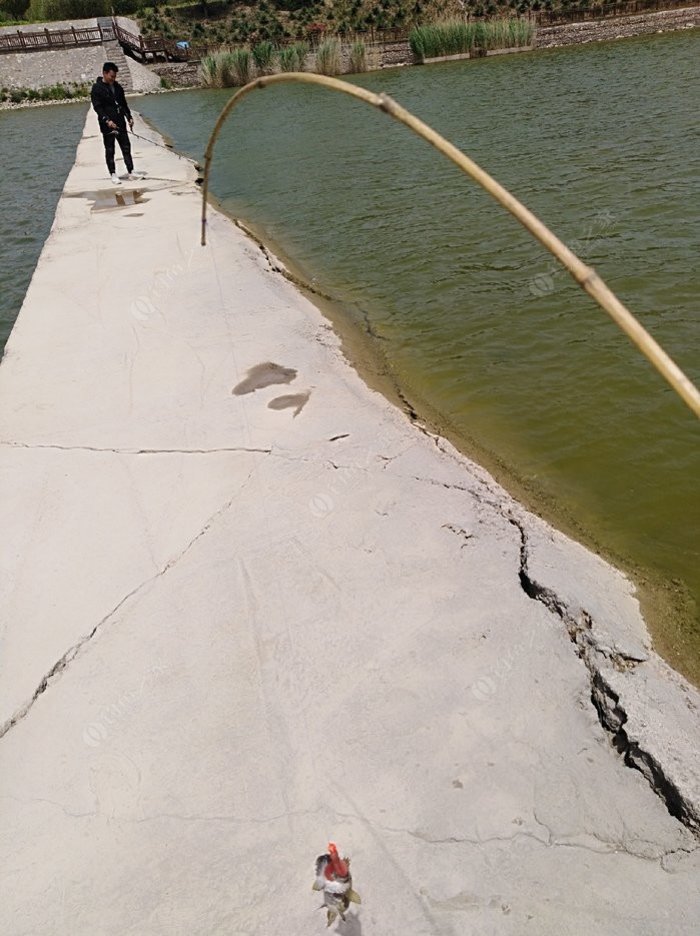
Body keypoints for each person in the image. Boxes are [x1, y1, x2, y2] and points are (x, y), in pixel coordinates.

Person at [91, 62, 140, 185]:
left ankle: (131, 171)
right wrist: (107, 120)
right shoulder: (97, 88)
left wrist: (129, 117)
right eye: (111, 76)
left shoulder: (117, 87)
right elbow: (97, 107)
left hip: (120, 121)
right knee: (110, 149)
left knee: (126, 147)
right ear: (105, 73)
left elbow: (123, 104)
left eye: (115, 76)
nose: (113, 79)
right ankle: (113, 174)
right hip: (107, 125)